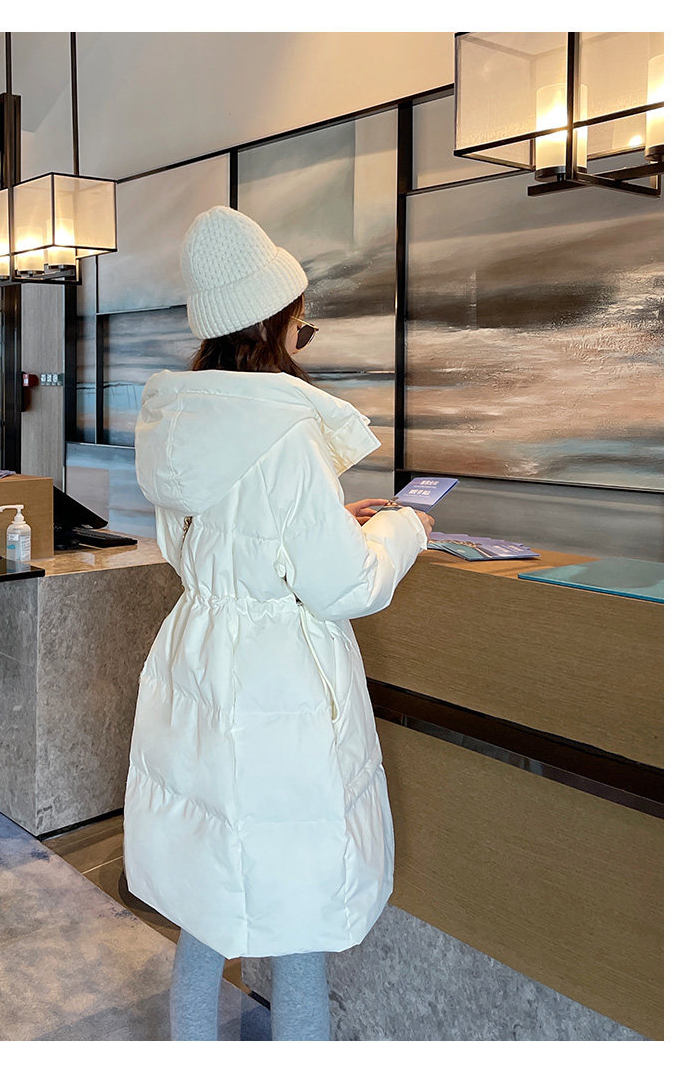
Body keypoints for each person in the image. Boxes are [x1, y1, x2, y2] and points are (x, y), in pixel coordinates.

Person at [123, 205, 434, 1041]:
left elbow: (214, 542)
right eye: (301, 314)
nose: (304, 327)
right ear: (272, 320)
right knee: (300, 921)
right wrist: (403, 529)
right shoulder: (285, 430)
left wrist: (331, 516)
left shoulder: (182, 421)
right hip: (276, 688)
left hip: (199, 660)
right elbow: (343, 584)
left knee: (205, 904)